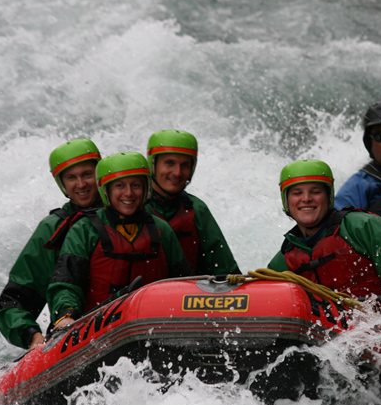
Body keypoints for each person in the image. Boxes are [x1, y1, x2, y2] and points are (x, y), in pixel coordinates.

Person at [47, 152, 188, 329]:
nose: (128, 193)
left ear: (145, 189)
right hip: (97, 329)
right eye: (119, 186)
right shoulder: (85, 230)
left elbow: (182, 281)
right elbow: (67, 282)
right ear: (106, 190)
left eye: (136, 185)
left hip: (152, 325)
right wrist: (66, 314)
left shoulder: (162, 230)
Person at [268, 159, 381, 311]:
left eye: (315, 192)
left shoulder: (364, 227)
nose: (306, 199)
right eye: (297, 193)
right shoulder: (284, 259)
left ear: (328, 196)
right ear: (286, 201)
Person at [0, 138, 102, 349]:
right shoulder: (53, 229)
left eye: (87, 174)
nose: (81, 184)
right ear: (62, 184)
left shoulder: (132, 210)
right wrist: (32, 336)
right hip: (75, 332)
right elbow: (14, 302)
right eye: (72, 178)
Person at [144, 129, 240, 275]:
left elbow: (226, 272)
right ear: (153, 165)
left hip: (186, 295)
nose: (177, 172)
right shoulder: (131, 207)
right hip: (138, 296)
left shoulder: (197, 210)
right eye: (169, 163)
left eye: (185, 165)